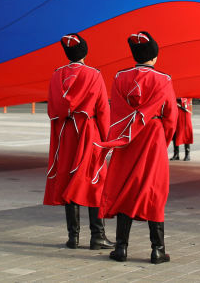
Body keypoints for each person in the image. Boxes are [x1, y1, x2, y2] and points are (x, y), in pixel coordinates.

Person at [100, 31, 177, 265]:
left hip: (127, 139)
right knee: (154, 190)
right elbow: (171, 117)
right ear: (154, 57)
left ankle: (121, 248)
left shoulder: (120, 77)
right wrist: (163, 141)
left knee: (125, 188)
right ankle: (157, 250)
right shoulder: (163, 79)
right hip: (152, 136)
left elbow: (116, 112)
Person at [43, 33, 113, 250]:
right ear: (85, 52)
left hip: (65, 135)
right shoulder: (94, 75)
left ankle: (73, 237)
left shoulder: (57, 75)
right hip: (88, 132)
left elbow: (52, 108)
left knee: (67, 179)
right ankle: (97, 235)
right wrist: (106, 139)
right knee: (95, 180)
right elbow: (102, 109)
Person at [170, 97, 193, 161]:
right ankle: (176, 154)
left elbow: (186, 100)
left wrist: (180, 99)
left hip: (184, 115)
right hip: (176, 114)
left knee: (186, 134)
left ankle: (187, 154)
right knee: (175, 134)